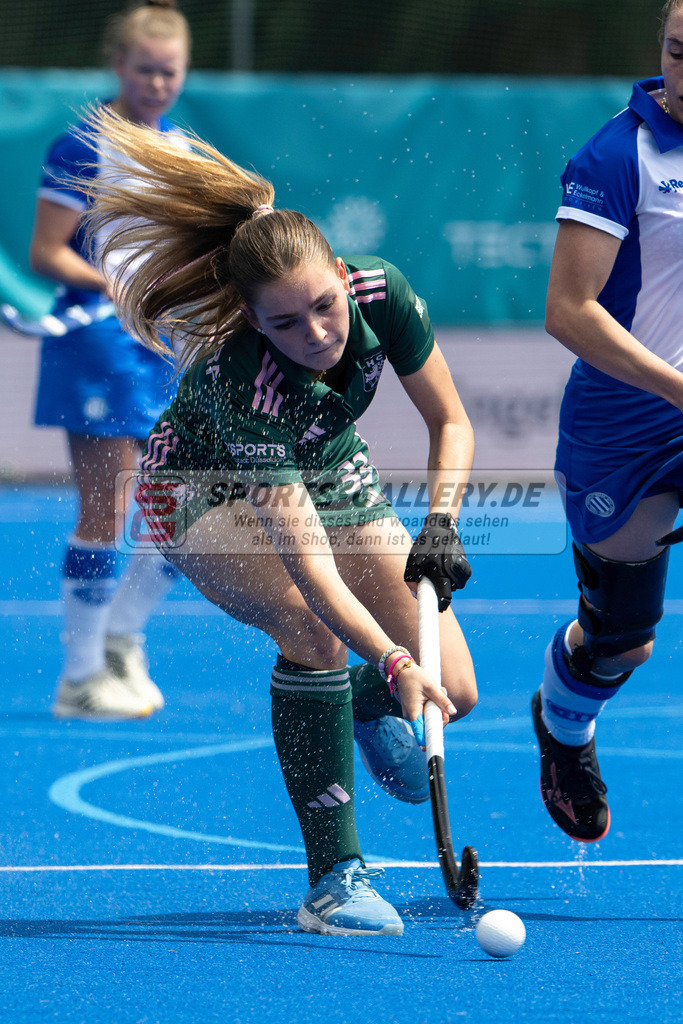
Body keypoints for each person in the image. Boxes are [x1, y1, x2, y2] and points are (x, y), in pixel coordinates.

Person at [74, 105, 478, 935]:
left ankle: (361, 705)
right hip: (199, 486)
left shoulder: (382, 292)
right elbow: (310, 570)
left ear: (339, 270)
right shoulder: (243, 385)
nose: (317, 334)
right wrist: (397, 656)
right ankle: (332, 879)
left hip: (328, 462)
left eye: (325, 306)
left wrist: (440, 522)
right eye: (285, 323)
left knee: (456, 695)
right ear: (253, 319)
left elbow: (452, 423)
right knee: (312, 627)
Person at [532, 0, 683, 844]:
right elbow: (568, 311)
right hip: (623, 427)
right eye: (675, 52)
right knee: (623, 642)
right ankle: (562, 728)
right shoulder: (616, 154)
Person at [29, 0, 191, 719]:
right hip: (97, 341)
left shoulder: (184, 152)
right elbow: (47, 252)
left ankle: (122, 635)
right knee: (109, 506)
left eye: (170, 72)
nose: (157, 84)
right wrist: (122, 285)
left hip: (165, 344)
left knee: (185, 504)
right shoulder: (82, 146)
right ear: (119, 66)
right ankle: (80, 673)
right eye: (145, 69)